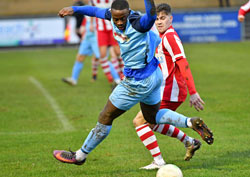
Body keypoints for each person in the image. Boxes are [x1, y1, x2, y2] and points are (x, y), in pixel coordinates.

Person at [53, 0, 213, 167]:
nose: (120, 22)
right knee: (151, 117)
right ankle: (189, 122)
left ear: (129, 13)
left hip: (137, 82)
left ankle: (79, 156)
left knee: (106, 116)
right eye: (116, 19)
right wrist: (75, 9)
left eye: (123, 18)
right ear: (112, 16)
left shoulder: (139, 24)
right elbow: (94, 11)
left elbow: (151, 13)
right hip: (154, 76)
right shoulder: (111, 16)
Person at [133, 3, 209, 170]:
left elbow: (183, 63)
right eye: (157, 19)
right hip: (162, 87)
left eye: (163, 18)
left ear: (170, 19)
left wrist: (193, 92)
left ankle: (159, 161)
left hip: (170, 89)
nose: (159, 22)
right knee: (151, 123)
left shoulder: (170, 37)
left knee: (140, 121)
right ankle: (190, 142)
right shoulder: (160, 35)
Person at [90, 0, 124, 84]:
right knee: (102, 54)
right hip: (101, 29)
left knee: (118, 52)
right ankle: (110, 78)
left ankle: (123, 75)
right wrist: (91, 23)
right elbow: (91, 10)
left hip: (112, 27)